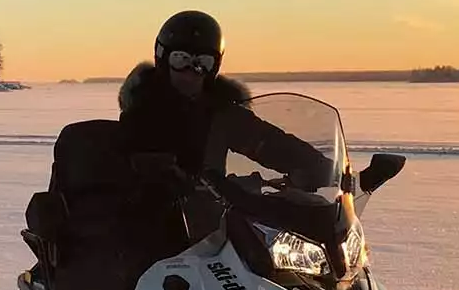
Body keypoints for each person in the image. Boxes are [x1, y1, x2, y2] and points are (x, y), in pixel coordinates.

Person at [118, 10, 333, 187]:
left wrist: (327, 170)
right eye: (181, 59)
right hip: (146, 228)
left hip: (209, 228)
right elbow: (113, 167)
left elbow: (271, 144)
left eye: (203, 62)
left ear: (215, 66)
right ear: (163, 58)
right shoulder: (140, 112)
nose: (192, 71)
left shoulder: (221, 114)